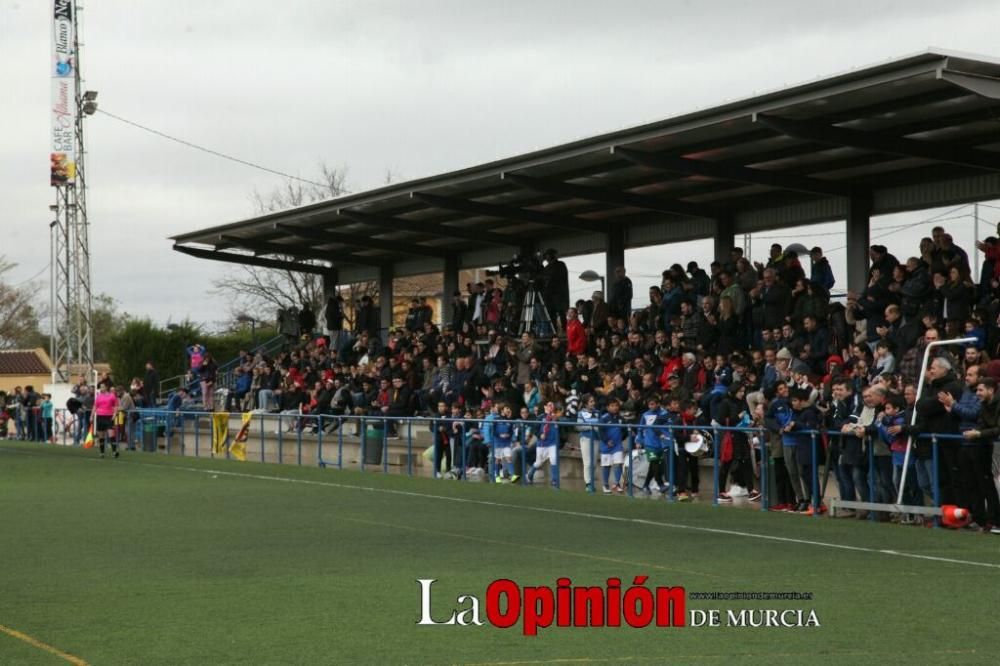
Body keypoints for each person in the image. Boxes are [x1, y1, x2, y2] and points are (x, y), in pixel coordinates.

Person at [526, 402, 560, 487]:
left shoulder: (555, 417)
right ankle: (529, 475)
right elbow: (535, 429)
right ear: (545, 407)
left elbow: (559, 428)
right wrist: (540, 435)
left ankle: (554, 480)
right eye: (549, 405)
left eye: (552, 405)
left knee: (553, 459)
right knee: (538, 462)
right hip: (542, 444)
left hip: (552, 443)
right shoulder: (540, 417)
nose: (551, 407)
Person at [93, 382, 120, 458]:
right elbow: (95, 406)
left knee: (111, 434)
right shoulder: (98, 396)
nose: (101, 388)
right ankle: (102, 453)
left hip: (109, 417)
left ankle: (115, 452)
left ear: (106, 387)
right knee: (101, 436)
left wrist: (114, 414)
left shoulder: (112, 396)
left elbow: (116, 406)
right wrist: (92, 416)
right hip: (100, 417)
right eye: (100, 387)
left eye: (103, 387)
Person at [493, 404, 515, 483]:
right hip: (498, 442)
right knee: (498, 460)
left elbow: (511, 431)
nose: (508, 410)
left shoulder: (509, 419)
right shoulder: (496, 419)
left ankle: (513, 475)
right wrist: (500, 435)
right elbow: (493, 431)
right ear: (502, 410)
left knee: (508, 457)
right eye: (507, 408)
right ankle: (497, 476)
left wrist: (508, 435)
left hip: (506, 442)